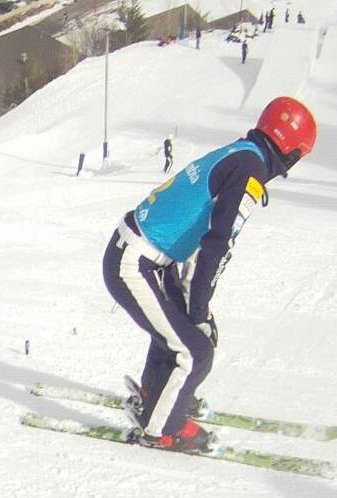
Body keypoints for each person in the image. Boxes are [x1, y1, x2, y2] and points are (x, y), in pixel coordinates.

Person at [102, 97, 317, 451]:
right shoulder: (250, 170)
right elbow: (217, 245)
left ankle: (159, 397)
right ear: (292, 153)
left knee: (184, 331)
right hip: (134, 262)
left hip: (148, 257)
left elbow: (204, 243)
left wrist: (197, 308)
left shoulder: (242, 153)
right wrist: (200, 311)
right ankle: (161, 428)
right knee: (195, 352)